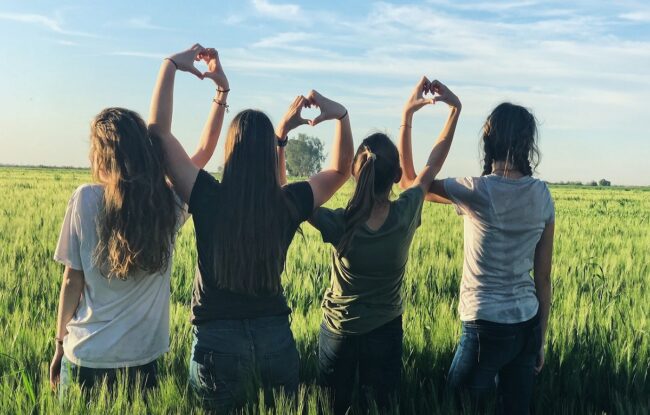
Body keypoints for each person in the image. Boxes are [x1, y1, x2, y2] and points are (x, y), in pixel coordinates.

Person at [147, 44, 354, 412]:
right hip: (276, 341)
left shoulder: (207, 196)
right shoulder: (287, 203)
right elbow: (340, 170)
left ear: (231, 152)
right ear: (267, 154)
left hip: (217, 345)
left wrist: (171, 65)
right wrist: (340, 115)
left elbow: (159, 136)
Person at [49, 47, 228, 398]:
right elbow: (204, 152)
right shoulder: (167, 204)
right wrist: (220, 92)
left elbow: (72, 279)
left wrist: (58, 345)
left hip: (86, 355)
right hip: (143, 360)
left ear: (100, 155)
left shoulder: (84, 199)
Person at [308, 77, 461, 414]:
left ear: (355, 173)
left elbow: (291, 201)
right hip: (385, 331)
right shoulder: (406, 212)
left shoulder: (340, 222)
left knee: (331, 408)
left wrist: (281, 139)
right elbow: (432, 164)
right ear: (396, 176)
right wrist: (451, 111)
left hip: (339, 332)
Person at [399, 101, 555, 413]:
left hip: (483, 326)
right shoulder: (542, 194)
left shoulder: (476, 190)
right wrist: (540, 339)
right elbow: (543, 278)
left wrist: (408, 116)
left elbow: (409, 184)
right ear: (528, 143)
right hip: (526, 325)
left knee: (454, 405)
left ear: (488, 140)